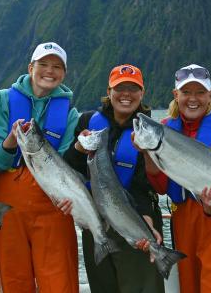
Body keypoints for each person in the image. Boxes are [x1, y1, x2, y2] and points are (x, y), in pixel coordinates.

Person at [141, 64, 211, 293]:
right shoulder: (163, 130)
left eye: (200, 92)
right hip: (183, 221)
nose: (193, 99)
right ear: (176, 95)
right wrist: (146, 153)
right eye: (186, 92)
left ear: (210, 96)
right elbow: (161, 187)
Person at [0, 42, 80, 292]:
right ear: (31, 67)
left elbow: (66, 166)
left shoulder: (70, 114)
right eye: (44, 64)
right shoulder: (2, 100)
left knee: (60, 282)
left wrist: (70, 198)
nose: (50, 71)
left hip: (52, 204)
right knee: (14, 280)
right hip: (8, 208)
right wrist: (10, 142)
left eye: (57, 67)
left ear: (64, 74)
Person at [63, 64, 164, 293]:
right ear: (109, 92)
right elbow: (71, 168)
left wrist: (146, 216)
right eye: (120, 88)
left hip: (136, 219)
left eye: (133, 88)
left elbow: (145, 182)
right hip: (96, 223)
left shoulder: (152, 131)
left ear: (142, 93)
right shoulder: (87, 121)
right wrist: (79, 148)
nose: (126, 94)